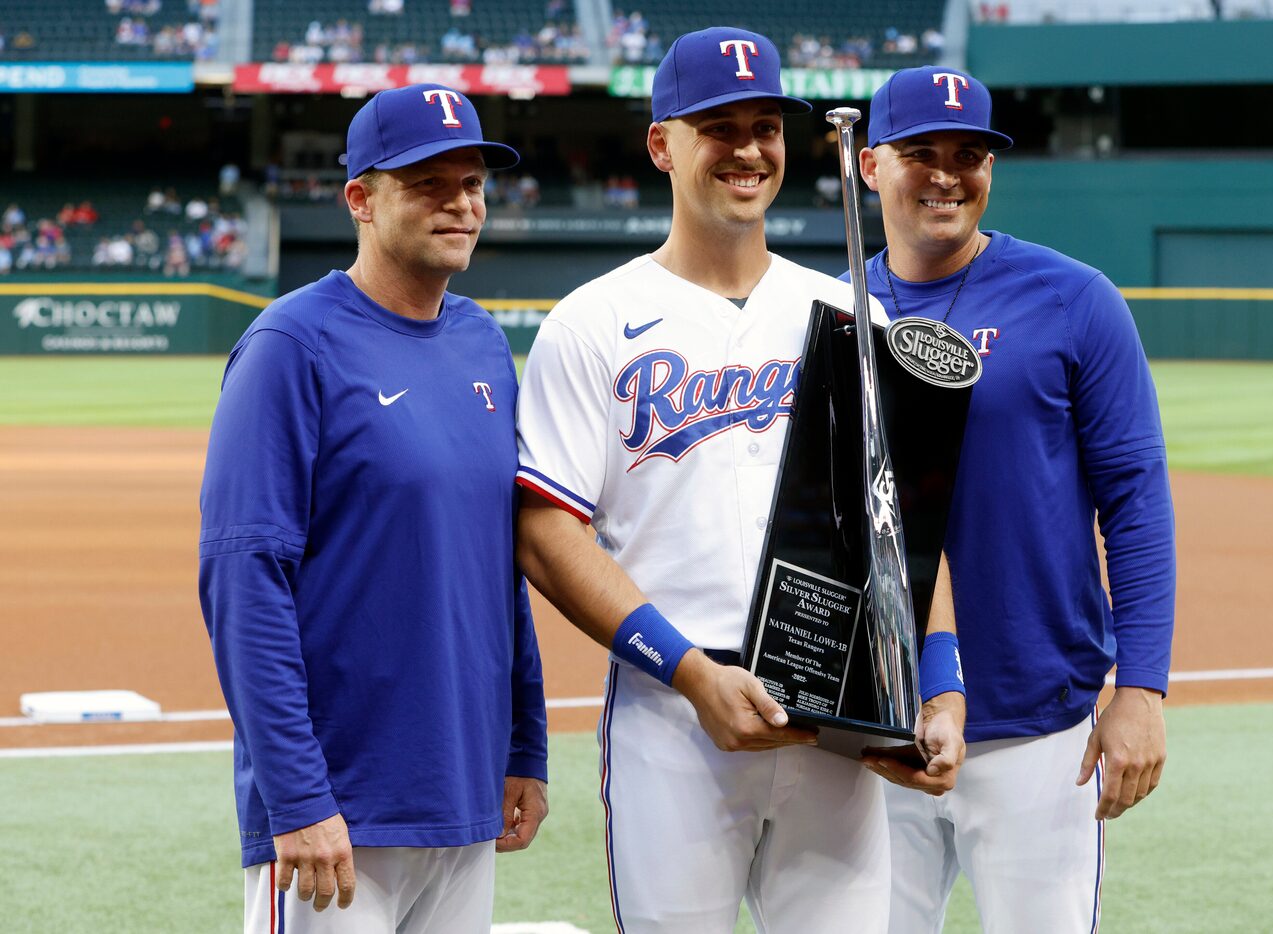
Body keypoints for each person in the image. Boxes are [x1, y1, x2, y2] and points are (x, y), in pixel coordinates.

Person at [513, 27, 964, 934]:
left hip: (833, 727)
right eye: (718, 127)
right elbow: (543, 532)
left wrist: (939, 687)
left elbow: (898, 524)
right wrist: (687, 673)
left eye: (766, 126)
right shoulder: (593, 321)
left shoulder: (845, 309)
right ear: (661, 145)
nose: (749, 149)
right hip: (673, 721)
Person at [198, 83, 548, 934]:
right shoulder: (290, 346)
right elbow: (244, 580)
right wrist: (296, 796)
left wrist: (524, 746)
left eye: (472, 183)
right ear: (360, 197)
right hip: (340, 814)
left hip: (461, 796)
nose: (460, 203)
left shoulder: (482, 344)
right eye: (428, 182)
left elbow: (498, 568)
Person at [847, 65, 1175, 932]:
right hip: (874, 722)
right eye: (922, 151)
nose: (948, 173)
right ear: (870, 165)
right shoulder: (824, 309)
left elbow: (1135, 499)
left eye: (971, 153)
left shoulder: (1075, 300)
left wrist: (1139, 687)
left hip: (1038, 720)